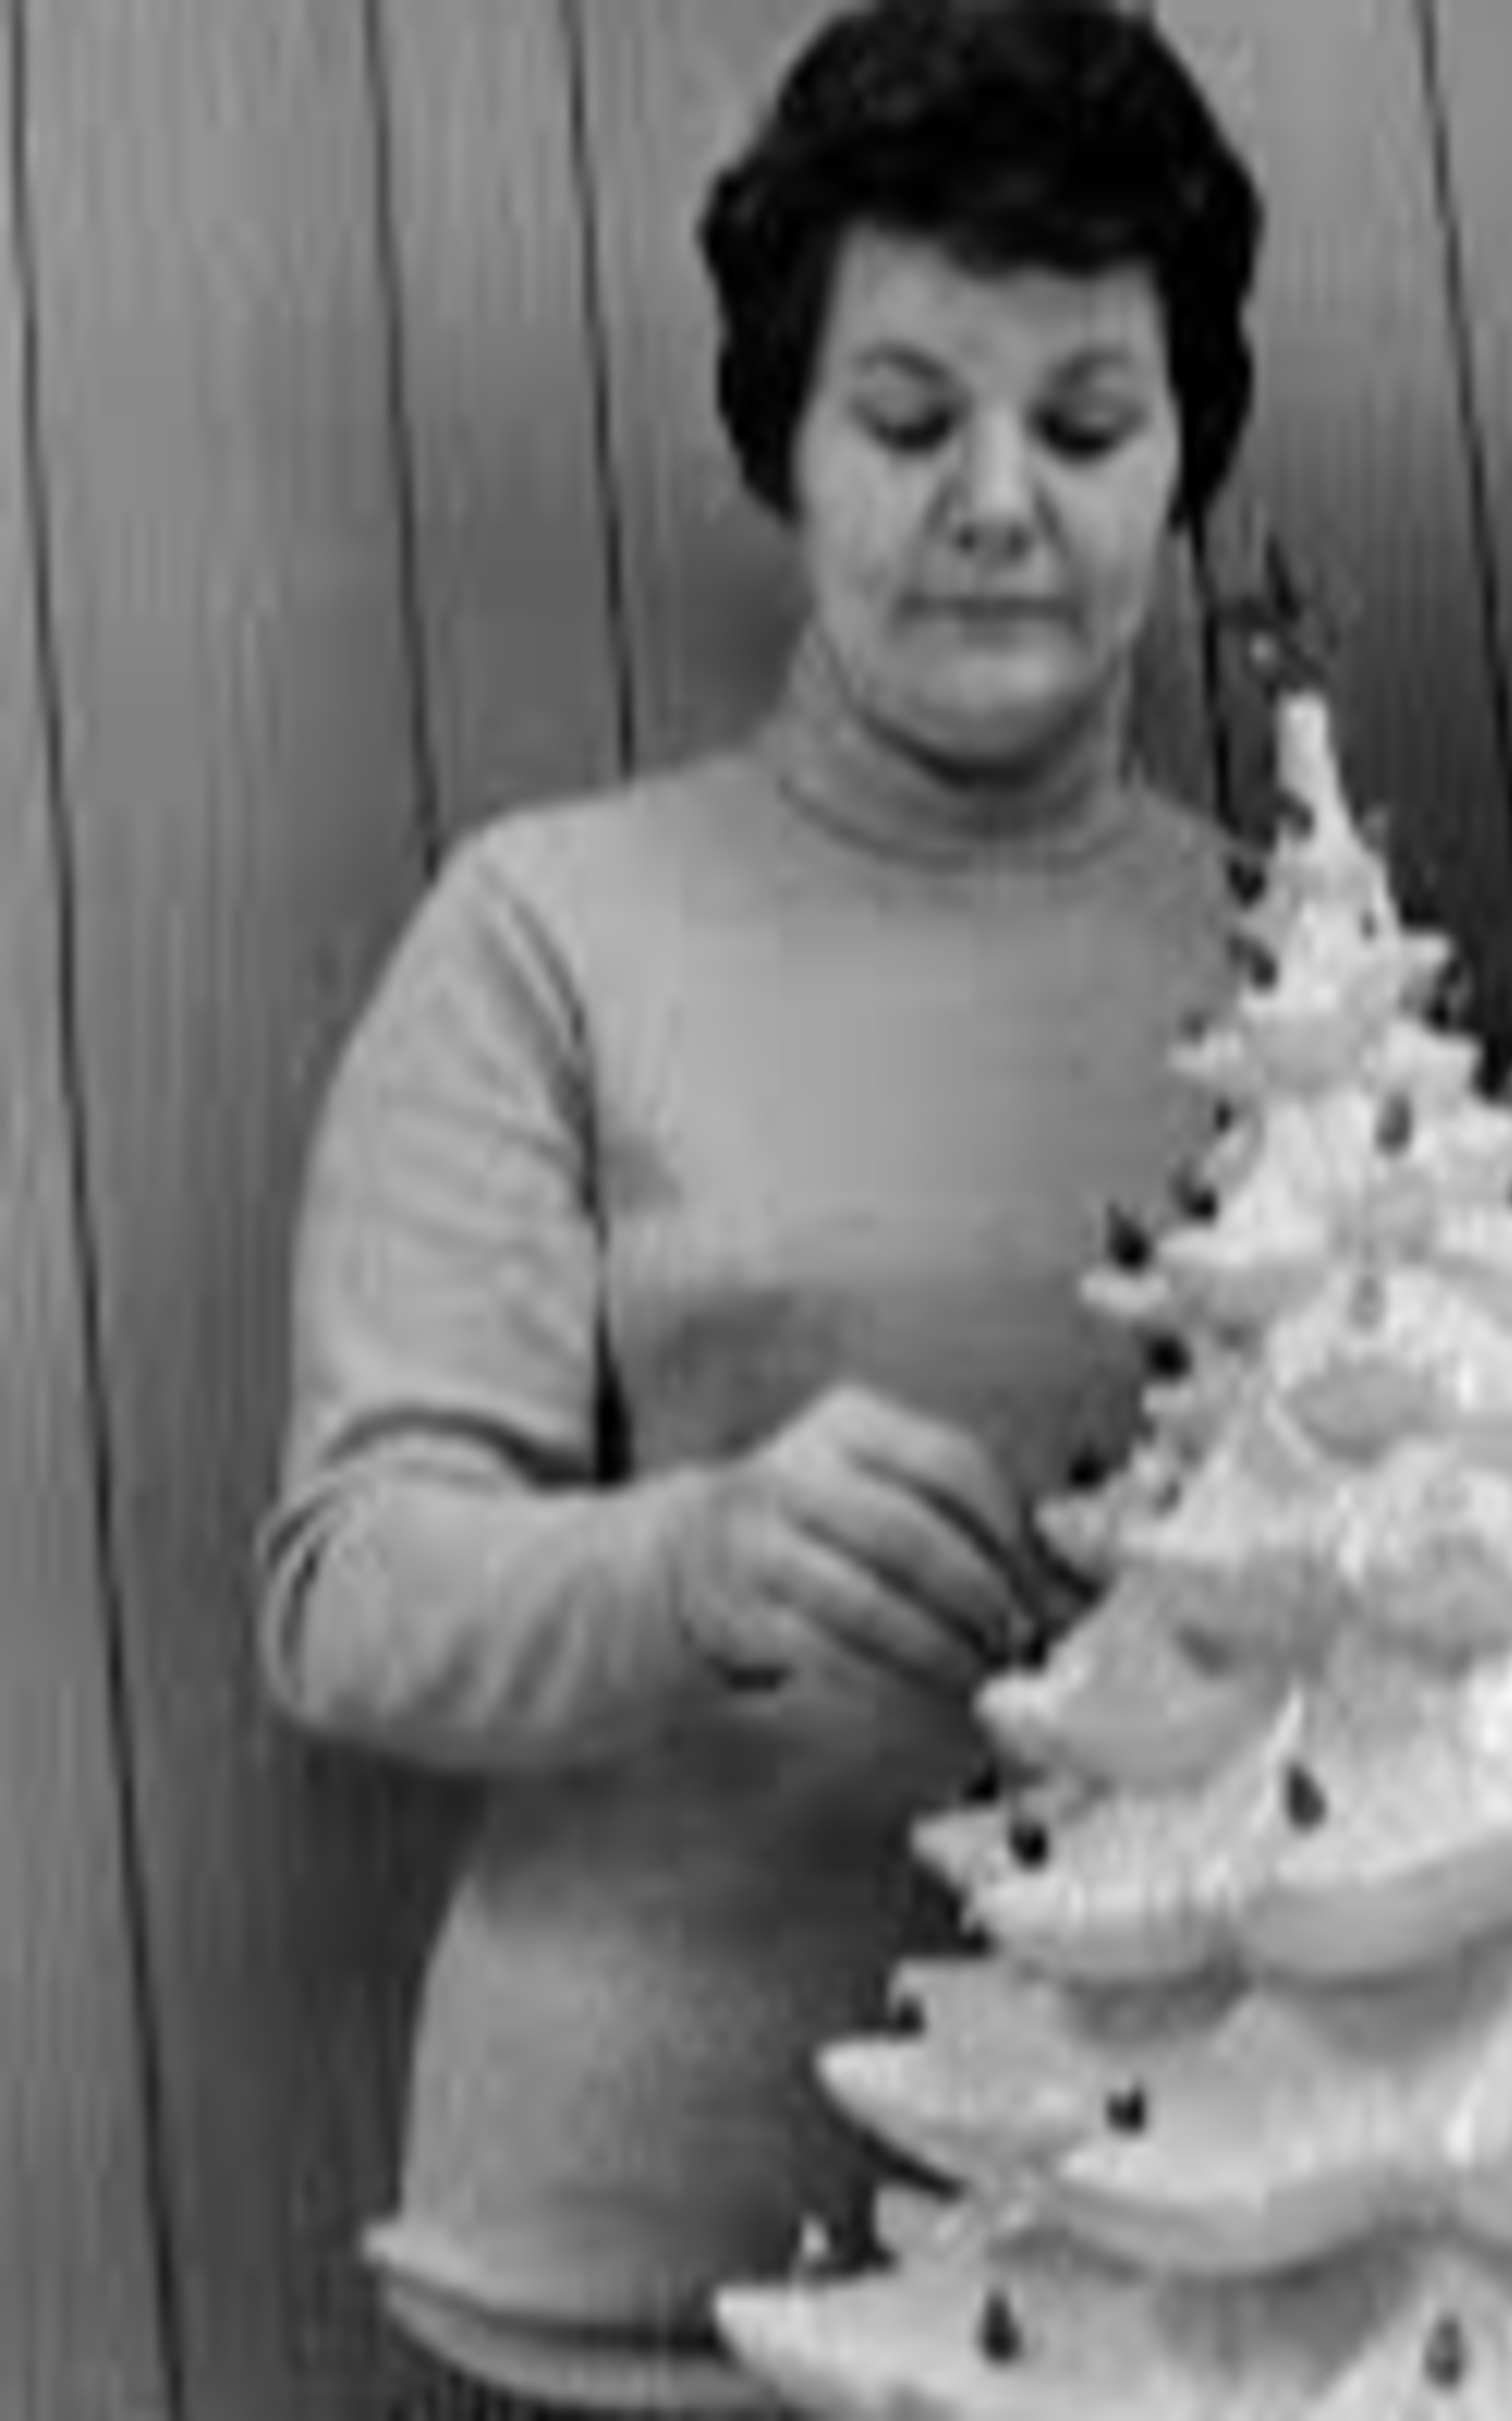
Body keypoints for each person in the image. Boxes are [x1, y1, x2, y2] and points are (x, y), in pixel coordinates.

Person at [257, 2, 1263, 2411]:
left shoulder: (1298, 966)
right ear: (785, 452)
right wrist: (693, 1563)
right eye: (907, 422)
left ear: (1182, 464)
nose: (998, 501)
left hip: (1203, 2257)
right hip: (651, 2276)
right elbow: (346, 1592)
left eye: (1086, 428)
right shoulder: (547, 928)